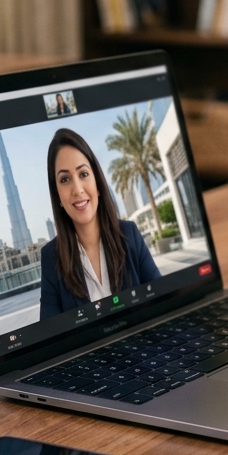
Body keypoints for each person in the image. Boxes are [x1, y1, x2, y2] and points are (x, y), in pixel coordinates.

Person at [39, 128, 161, 320]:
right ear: (58, 195)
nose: (77, 190)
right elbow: (49, 339)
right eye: (65, 179)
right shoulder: (51, 257)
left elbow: (165, 304)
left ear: (97, 183)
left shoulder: (130, 235)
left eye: (84, 174)